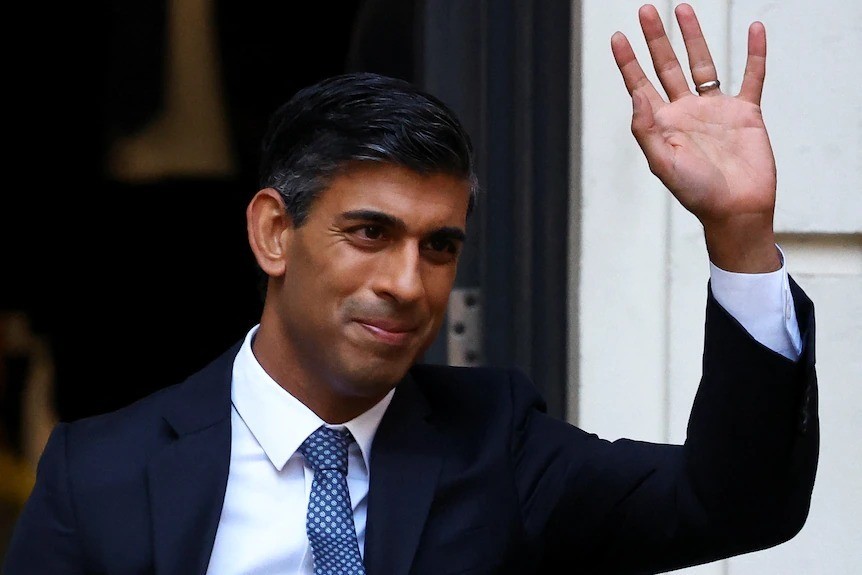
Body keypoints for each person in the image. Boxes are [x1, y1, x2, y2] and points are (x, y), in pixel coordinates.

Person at [3, 4, 818, 574]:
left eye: (439, 246)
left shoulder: (495, 444)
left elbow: (733, 503)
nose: (406, 282)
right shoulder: (102, 473)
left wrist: (738, 233)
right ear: (273, 233)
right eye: (370, 234)